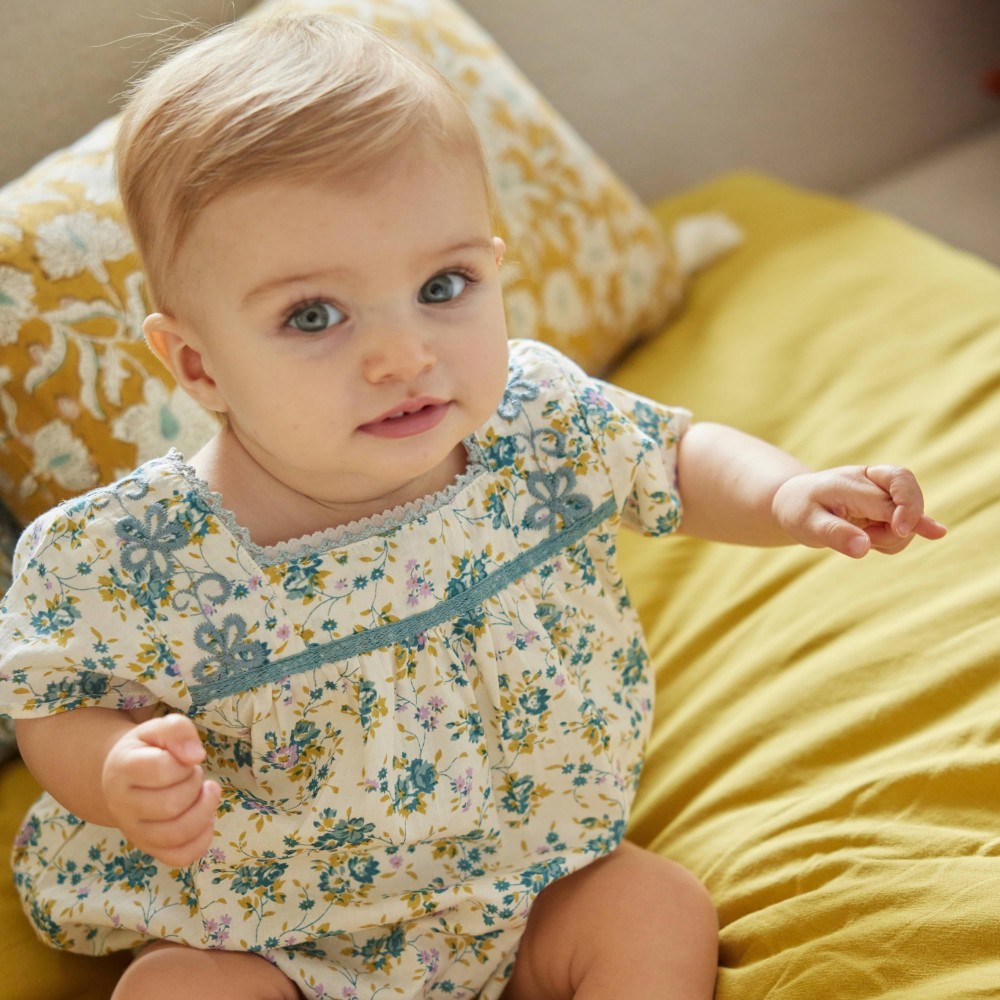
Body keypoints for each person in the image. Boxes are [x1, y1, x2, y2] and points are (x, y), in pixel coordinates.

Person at [0, 12, 946, 1000]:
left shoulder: (533, 423)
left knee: (655, 907)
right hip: (265, 925)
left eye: (443, 285)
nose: (404, 355)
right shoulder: (140, 552)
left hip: (527, 880)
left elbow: (672, 459)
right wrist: (117, 771)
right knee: (178, 990)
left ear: (493, 267)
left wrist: (786, 492)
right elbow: (55, 703)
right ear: (198, 364)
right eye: (314, 315)